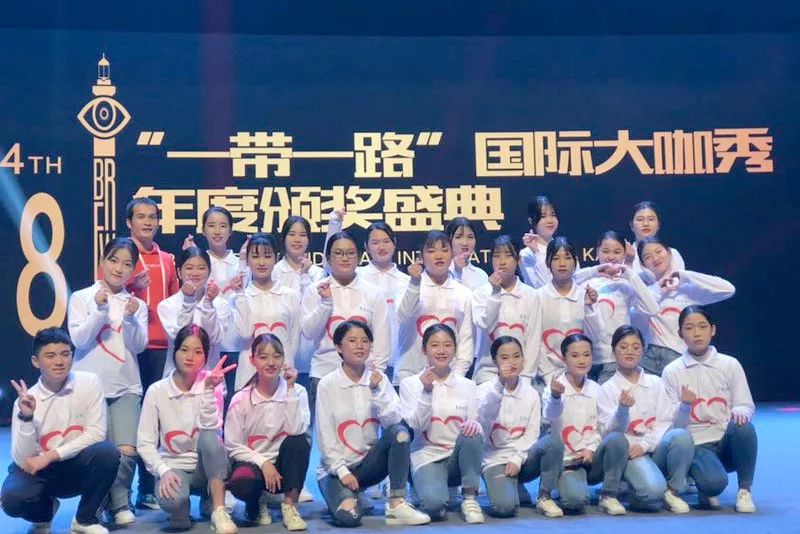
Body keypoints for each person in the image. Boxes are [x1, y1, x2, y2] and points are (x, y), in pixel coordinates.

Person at [1, 327, 120, 534]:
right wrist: (27, 418)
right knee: (12, 498)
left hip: (76, 464)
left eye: (65, 354)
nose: (59, 361)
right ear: (36, 361)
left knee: (107, 453)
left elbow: (96, 433)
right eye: (50, 356)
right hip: (42, 472)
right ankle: (43, 515)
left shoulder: (89, 383)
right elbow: (23, 460)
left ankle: (85, 519)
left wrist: (51, 455)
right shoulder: (26, 400)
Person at [315, 321, 430, 527]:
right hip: (336, 471)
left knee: (400, 433)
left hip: (368, 466)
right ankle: (348, 496)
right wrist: (342, 471)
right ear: (339, 347)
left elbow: (396, 424)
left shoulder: (379, 379)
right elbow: (325, 435)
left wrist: (377, 391)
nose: (360, 346)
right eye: (352, 341)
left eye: (365, 341)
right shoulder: (327, 384)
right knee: (350, 518)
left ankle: (396, 503)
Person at [69, 237, 148, 525]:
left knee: (127, 450)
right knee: (98, 453)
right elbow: (79, 339)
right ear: (103, 261)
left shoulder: (136, 304)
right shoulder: (82, 297)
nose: (119, 268)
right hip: (89, 389)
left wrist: (130, 319)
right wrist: (100, 311)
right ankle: (96, 504)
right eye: (114, 260)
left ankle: (120, 503)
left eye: (127, 264)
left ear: (133, 269)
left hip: (126, 386)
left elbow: (139, 346)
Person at [111, 197, 180, 510]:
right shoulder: (119, 258)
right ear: (129, 222)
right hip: (128, 348)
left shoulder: (167, 259)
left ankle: (149, 489)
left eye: (152, 217)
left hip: (162, 348)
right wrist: (132, 287)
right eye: (140, 217)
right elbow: (107, 297)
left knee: (158, 419)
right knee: (131, 421)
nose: (147, 222)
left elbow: (176, 301)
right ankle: (119, 494)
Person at [137, 325, 238, 532]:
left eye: (198, 351)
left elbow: (213, 429)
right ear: (174, 352)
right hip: (175, 468)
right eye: (184, 349)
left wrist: (209, 389)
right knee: (173, 501)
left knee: (210, 438)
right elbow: (145, 443)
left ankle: (218, 509)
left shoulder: (213, 382)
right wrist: (163, 471)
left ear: (206, 356)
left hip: (206, 466)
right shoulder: (157, 391)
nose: (190, 357)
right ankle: (182, 508)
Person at [662, 306, 757, 513]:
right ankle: (703, 483)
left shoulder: (730, 364)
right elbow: (671, 425)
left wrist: (741, 410)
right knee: (714, 484)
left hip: (725, 441)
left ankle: (745, 490)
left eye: (702, 327)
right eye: (689, 328)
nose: (697, 333)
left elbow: (745, 404)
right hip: (696, 445)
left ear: (712, 330)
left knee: (745, 428)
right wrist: (685, 406)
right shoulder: (672, 371)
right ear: (680, 333)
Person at [598, 325, 694, 513]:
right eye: (623, 346)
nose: (630, 351)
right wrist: (622, 410)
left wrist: (646, 444)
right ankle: (630, 487)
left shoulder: (655, 382)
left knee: (681, 436)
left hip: (653, 447)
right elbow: (609, 434)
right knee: (651, 493)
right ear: (614, 350)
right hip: (629, 453)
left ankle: (672, 492)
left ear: (643, 350)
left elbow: (665, 421)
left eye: (636, 347)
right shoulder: (607, 389)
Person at [400, 324, 485, 524]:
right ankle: (425, 486)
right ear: (424, 349)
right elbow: (416, 426)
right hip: (426, 457)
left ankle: (469, 498)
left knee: (473, 432)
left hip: (456, 458)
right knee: (434, 508)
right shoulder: (410, 384)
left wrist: (476, 426)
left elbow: (474, 423)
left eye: (447, 345)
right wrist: (426, 391)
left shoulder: (467, 385)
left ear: (455, 349)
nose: (441, 350)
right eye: (435, 345)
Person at [225, 334, 310, 530]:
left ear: (284, 360)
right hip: (254, 465)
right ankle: (255, 502)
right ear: (252, 360)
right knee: (242, 481)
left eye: (277, 356)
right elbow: (232, 445)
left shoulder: (298, 392)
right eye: (263, 357)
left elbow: (296, 430)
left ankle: (289, 507)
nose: (271, 363)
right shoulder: (241, 398)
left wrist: (290, 389)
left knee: (299, 442)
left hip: (283, 468)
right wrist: (263, 462)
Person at [301, 232, 389, 416]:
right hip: (324, 372)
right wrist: (325, 304)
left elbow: (381, 339)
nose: (345, 258)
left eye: (350, 253)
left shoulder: (372, 292)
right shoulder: (315, 290)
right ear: (328, 258)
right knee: (325, 430)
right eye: (338, 253)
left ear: (359, 257)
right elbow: (308, 332)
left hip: (364, 376)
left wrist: (377, 375)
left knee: (364, 428)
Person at [477, 336, 565, 518]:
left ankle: (545, 497)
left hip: (523, 458)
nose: (512, 362)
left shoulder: (531, 394)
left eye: (516, 356)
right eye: (505, 357)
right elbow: (484, 423)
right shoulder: (483, 391)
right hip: (494, 460)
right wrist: (500, 385)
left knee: (553, 442)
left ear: (523, 359)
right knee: (504, 508)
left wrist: (517, 458)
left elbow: (531, 435)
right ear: (495, 361)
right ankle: (512, 486)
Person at [543, 334, 628, 515]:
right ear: (564, 358)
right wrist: (556, 397)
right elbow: (550, 415)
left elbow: (603, 428)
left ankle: (609, 495)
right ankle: (561, 484)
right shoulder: (554, 388)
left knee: (617, 439)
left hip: (591, 459)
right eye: (575, 356)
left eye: (586, 355)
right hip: (566, 462)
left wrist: (591, 448)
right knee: (574, 501)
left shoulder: (597, 389)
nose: (582, 360)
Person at [635, 237, 735, 375]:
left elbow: (728, 289)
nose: (655, 258)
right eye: (648, 257)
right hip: (649, 358)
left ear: (669, 253)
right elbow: (636, 316)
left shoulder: (688, 289)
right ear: (643, 264)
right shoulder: (646, 292)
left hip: (680, 357)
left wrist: (684, 276)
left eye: (658, 252)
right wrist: (659, 289)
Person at [573, 231, 659, 383]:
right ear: (597, 252)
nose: (611, 257)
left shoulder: (626, 283)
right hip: (586, 357)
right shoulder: (588, 281)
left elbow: (652, 309)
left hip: (614, 359)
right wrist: (594, 272)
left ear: (625, 254)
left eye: (617, 252)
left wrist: (629, 273)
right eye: (605, 251)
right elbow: (565, 279)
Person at [394, 231, 474, 382]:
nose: (439, 256)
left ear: (452, 254)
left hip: (450, 378)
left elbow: (466, 341)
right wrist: (415, 283)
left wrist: (456, 379)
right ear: (421, 257)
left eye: (444, 250)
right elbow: (402, 317)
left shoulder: (464, 293)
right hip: (409, 376)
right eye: (431, 251)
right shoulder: (406, 285)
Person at [158, 246, 249, 378]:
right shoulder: (167, 305)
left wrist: (208, 304)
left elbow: (214, 338)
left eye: (201, 268)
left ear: (209, 272)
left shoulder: (220, 305)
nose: (195, 273)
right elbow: (179, 338)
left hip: (210, 379)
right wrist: (188, 302)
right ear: (179, 272)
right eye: (189, 268)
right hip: (176, 380)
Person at [233, 233, 301, 390]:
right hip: (249, 376)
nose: (262, 262)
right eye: (255, 256)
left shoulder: (289, 295)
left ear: (276, 258)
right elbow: (245, 333)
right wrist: (240, 295)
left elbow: (294, 338)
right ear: (247, 260)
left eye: (268, 256)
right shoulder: (240, 296)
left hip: (282, 376)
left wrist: (287, 366)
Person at [472, 235, 542, 384]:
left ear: (518, 260)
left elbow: (533, 340)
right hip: (488, 372)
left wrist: (526, 378)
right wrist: (495, 293)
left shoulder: (531, 295)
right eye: (497, 256)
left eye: (508, 255)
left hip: (521, 374)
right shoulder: (481, 293)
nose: (502, 261)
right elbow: (486, 325)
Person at [625, 201, 686, 280]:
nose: (646, 224)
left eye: (651, 219)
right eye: (640, 220)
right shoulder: (624, 256)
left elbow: (680, 282)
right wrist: (628, 263)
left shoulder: (672, 253)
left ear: (658, 225)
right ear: (631, 226)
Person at [519, 195, 560, 288]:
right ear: (531, 221)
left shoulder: (564, 247)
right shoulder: (526, 254)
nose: (550, 220)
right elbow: (540, 288)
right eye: (543, 216)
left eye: (553, 215)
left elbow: (576, 281)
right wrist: (536, 252)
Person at [446, 217, 489, 290]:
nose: (465, 243)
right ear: (449, 240)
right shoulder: (440, 272)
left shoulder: (481, 275)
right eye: (458, 237)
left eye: (470, 237)